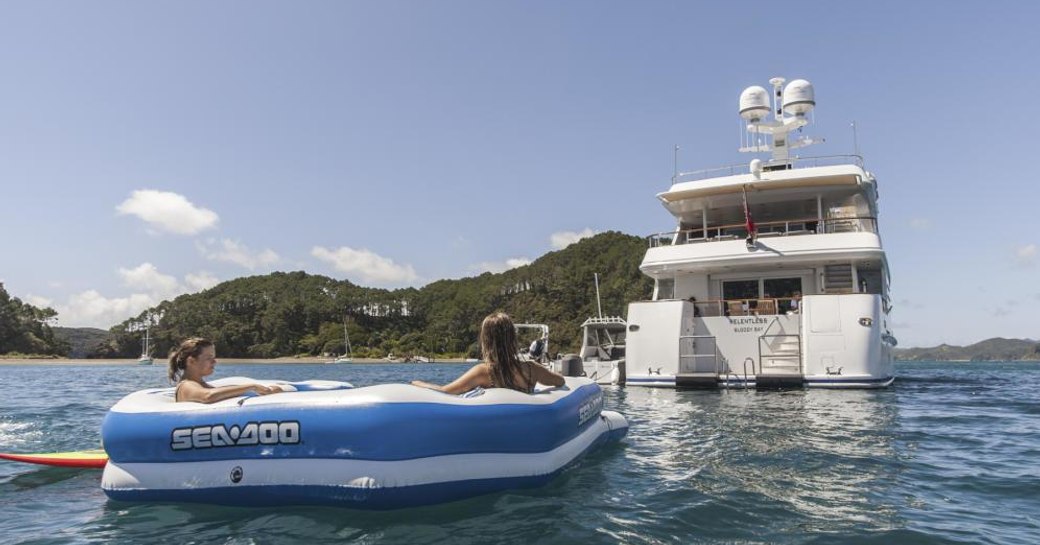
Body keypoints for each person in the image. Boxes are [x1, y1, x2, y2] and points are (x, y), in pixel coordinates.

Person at [411, 312, 565, 394]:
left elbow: (445, 392)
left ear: (486, 341)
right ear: (513, 339)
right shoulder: (532, 369)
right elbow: (560, 381)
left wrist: (417, 383)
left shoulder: (484, 372)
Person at [168, 337, 283, 403]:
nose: (214, 362)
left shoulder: (200, 384)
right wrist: (252, 387)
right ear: (191, 361)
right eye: (209, 358)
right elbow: (207, 396)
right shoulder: (186, 385)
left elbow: (215, 393)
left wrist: (265, 391)